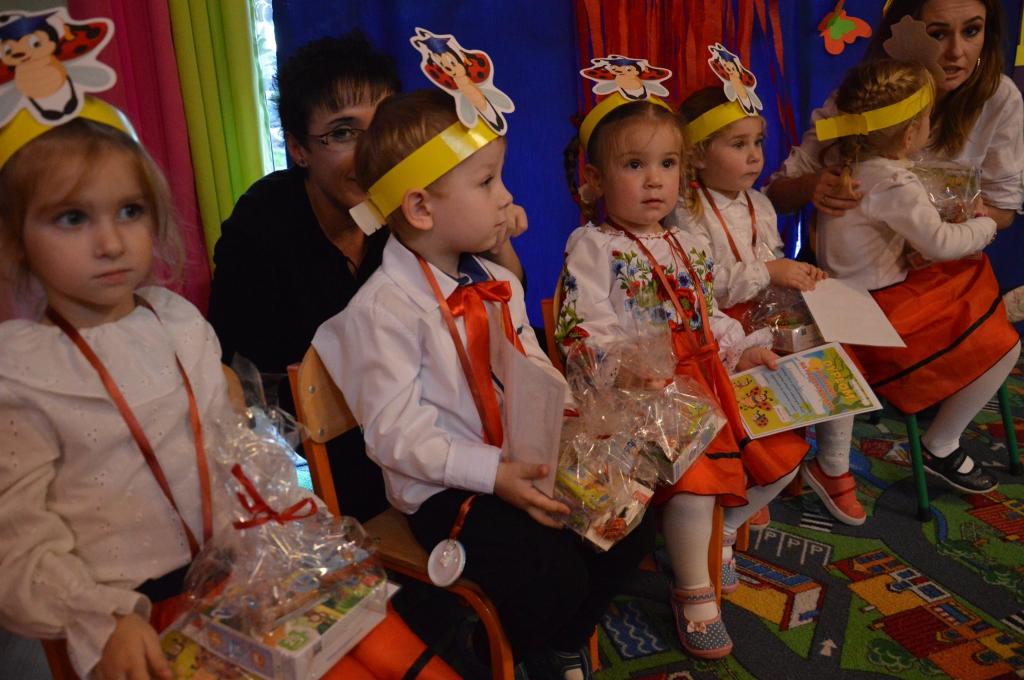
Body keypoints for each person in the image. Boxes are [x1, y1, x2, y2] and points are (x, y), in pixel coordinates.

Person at [314, 87, 653, 680]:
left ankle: (562, 638)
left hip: (514, 458)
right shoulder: (383, 311)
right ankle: (495, 649)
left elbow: (531, 360)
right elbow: (395, 438)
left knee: (627, 518)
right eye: (487, 182)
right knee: (550, 567)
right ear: (421, 208)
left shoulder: (496, 279)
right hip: (444, 489)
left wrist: (569, 418)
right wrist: (493, 474)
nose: (507, 198)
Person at [208, 31, 526, 524]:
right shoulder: (262, 231)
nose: (369, 152)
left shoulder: (414, 209)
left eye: (380, 126)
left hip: (442, 430)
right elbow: (250, 390)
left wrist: (497, 239)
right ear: (298, 148)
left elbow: (499, 307)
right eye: (342, 133)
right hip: (341, 459)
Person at [554, 93, 807, 658]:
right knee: (695, 479)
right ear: (596, 179)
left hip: (708, 376)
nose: (654, 180)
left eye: (667, 164)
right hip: (647, 394)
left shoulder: (688, 243)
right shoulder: (593, 248)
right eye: (634, 164)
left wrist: (743, 349)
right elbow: (580, 330)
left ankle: (717, 534)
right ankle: (694, 591)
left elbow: (707, 316)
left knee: (787, 447)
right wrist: (625, 365)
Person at [0, 99, 231, 680]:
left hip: (233, 584)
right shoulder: (19, 372)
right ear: (15, 239)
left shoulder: (177, 320)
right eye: (72, 218)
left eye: (130, 211)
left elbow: (227, 450)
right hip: (130, 622)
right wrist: (104, 617)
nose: (110, 243)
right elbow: (17, 551)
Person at [813, 58, 1020, 492]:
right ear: (910, 134)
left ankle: (985, 329)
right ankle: (940, 441)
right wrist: (983, 225)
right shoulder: (894, 183)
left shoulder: (847, 161)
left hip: (852, 292)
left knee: (969, 282)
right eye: (927, 118)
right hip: (879, 309)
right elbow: (940, 243)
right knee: (1001, 337)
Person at [668, 87, 864, 526]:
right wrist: (771, 272)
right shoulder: (685, 210)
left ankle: (832, 465)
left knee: (834, 355)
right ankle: (757, 473)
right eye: (738, 144)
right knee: (770, 373)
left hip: (764, 314)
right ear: (697, 155)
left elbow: (772, 261)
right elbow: (702, 286)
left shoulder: (759, 202)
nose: (755, 155)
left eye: (757, 141)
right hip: (722, 327)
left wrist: (801, 279)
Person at [763, 0, 1023, 315]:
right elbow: (777, 193)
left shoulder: (1000, 99)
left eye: (971, 31)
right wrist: (812, 186)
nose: (956, 51)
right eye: (938, 34)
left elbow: (1003, 210)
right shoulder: (867, 94)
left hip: (936, 283)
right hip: (852, 290)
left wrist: (955, 222)